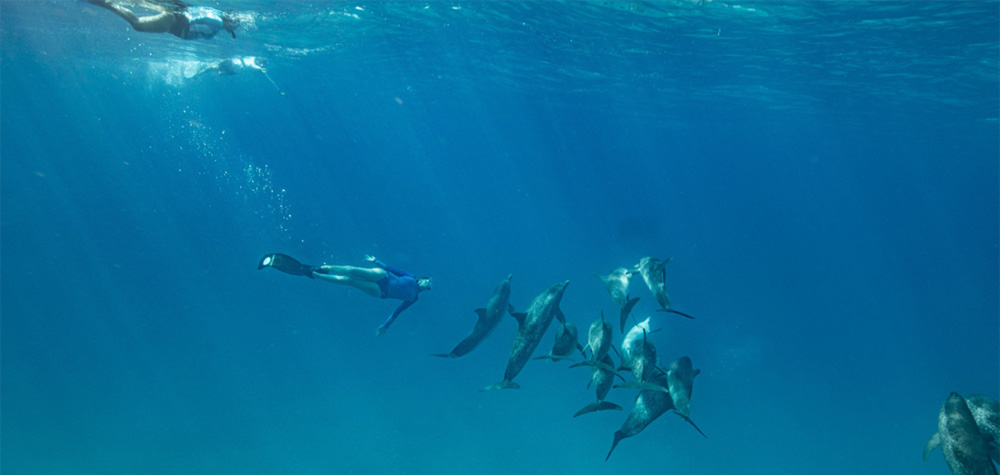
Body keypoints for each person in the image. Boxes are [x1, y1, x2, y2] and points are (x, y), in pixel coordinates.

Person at [257, 253, 432, 336]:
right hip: (384, 276)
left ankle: (315, 275)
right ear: (422, 279)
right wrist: (376, 261)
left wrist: (385, 326)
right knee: (353, 270)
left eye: (429, 287)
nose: (428, 286)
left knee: (351, 281)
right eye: (427, 282)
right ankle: (324, 268)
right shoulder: (411, 277)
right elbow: (394, 269)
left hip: (382, 292)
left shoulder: (414, 298)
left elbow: (398, 311)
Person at [88, 0, 239, 40]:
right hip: (174, 22)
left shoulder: (218, 25)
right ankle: (106, 4)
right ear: (230, 21)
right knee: (137, 24)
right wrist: (182, 18)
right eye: (235, 25)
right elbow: (199, 19)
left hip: (174, 23)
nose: (234, 29)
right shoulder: (218, 23)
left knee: (138, 24)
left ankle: (107, 3)